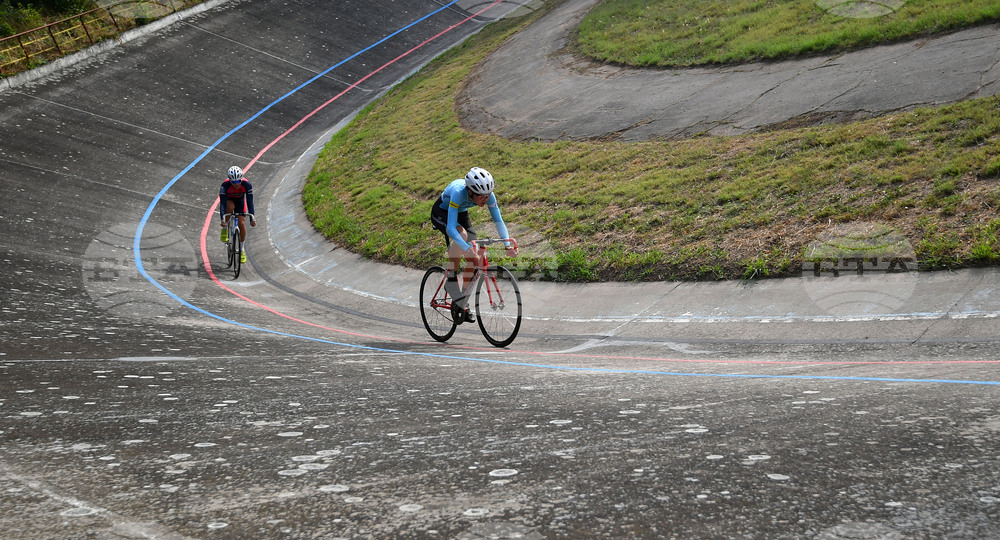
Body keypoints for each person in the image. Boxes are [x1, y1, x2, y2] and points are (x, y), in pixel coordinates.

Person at [431, 167, 517, 323]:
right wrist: (465, 248)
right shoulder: (458, 192)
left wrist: (507, 244)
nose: (485, 199)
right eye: (481, 197)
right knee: (462, 236)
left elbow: (498, 221)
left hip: (461, 213)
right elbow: (451, 227)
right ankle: (450, 282)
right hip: (442, 213)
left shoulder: (488, 195)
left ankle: (461, 301)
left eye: (487, 196)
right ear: (470, 192)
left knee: (475, 257)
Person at [219, 165, 256, 263]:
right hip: (229, 200)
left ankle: (242, 249)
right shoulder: (224, 186)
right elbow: (222, 204)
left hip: (240, 201)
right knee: (230, 207)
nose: (236, 184)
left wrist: (252, 217)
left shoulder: (247, 185)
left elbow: (250, 202)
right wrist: (222, 219)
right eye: (234, 182)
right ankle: (224, 229)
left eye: (238, 181)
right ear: (230, 181)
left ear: (241, 179)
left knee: (241, 223)